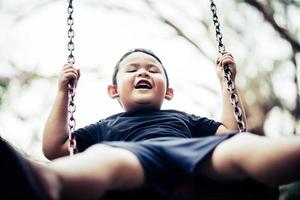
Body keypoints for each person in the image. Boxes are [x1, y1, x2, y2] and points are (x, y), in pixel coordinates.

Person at [1, 48, 300, 200]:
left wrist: (226, 82)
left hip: (193, 151)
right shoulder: (105, 126)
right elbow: (56, 148)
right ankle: (44, 182)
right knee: (103, 158)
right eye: (132, 69)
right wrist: (63, 93)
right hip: (133, 158)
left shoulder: (183, 118)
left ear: (167, 92)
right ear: (113, 90)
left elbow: (232, 132)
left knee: (243, 146)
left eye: (153, 70)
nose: (143, 72)